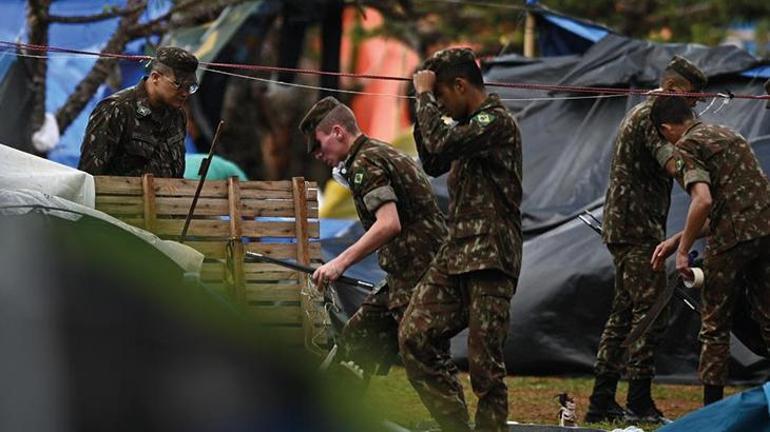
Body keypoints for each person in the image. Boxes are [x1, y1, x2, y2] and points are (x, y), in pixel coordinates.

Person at [399, 48, 522, 432]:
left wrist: (422, 97)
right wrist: (422, 105)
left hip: (490, 256)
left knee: (485, 368)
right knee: (414, 335)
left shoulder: (495, 121)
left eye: (442, 97)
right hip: (457, 254)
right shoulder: (467, 130)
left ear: (460, 85)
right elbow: (433, 160)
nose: (439, 105)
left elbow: (442, 146)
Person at [585, 56, 706, 425]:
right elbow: (674, 164)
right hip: (635, 229)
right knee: (651, 312)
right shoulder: (654, 116)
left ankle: (602, 399)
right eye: (691, 99)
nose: (694, 108)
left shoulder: (646, 110)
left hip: (631, 227)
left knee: (623, 314)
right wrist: (703, 178)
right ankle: (638, 400)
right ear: (673, 90)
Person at [298, 96, 448, 382]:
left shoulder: (364, 163)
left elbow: (388, 224)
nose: (317, 154)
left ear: (338, 132)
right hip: (409, 270)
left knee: (423, 359)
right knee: (359, 336)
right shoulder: (377, 151)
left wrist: (337, 264)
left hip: (420, 273)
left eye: (318, 145)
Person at [649, 95, 770, 406]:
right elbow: (738, 208)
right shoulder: (731, 135)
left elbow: (703, 201)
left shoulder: (687, 146)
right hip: (765, 232)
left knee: (715, 324)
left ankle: (712, 410)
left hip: (730, 241)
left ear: (666, 129)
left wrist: (682, 252)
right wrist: (679, 238)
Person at [78, 47, 199, 178]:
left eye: (190, 87)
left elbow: (176, 173)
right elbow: (89, 176)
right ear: (155, 78)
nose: (185, 93)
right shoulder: (117, 109)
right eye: (179, 85)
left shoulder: (177, 116)